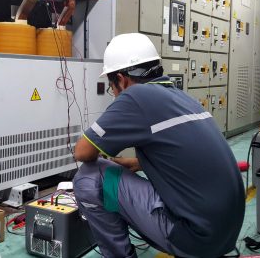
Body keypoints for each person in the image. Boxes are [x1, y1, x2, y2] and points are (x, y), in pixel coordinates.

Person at [73, 33, 245, 258]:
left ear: (121, 79)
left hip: (195, 239)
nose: (114, 93)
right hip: (226, 233)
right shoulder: (181, 97)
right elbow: (186, 156)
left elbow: (82, 152)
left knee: (89, 177)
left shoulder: (134, 95)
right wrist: (138, 163)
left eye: (111, 87)